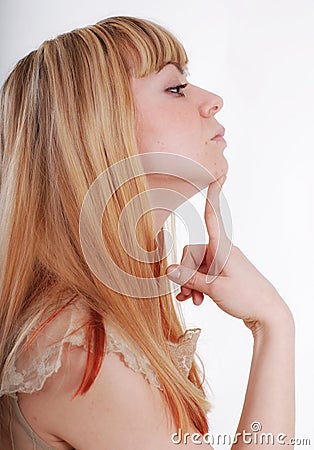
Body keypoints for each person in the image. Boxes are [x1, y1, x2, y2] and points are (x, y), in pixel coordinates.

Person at [0, 16, 295, 449]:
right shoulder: (87, 362)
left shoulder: (90, 331)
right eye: (175, 88)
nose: (213, 100)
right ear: (98, 125)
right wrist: (273, 324)